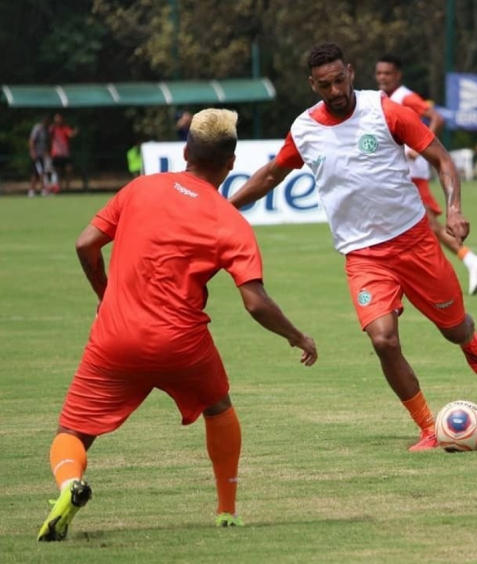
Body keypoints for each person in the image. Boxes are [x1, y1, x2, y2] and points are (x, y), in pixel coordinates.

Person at [37, 109, 318, 542]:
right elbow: (255, 302)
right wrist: (297, 336)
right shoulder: (229, 221)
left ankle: (69, 484)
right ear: (230, 163)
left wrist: (104, 297)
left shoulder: (140, 188)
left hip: (115, 337)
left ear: (184, 152)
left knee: (73, 431)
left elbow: (86, 244)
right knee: (218, 407)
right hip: (181, 344)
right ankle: (226, 511)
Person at [230, 43, 477, 452]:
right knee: (384, 340)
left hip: (415, 241)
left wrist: (454, 209)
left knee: (454, 327)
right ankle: (427, 428)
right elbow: (269, 176)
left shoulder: (384, 110)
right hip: (364, 257)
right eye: (324, 84)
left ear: (350, 72)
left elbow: (441, 158)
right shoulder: (304, 130)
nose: (334, 90)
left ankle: (468, 339)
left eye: (339, 80)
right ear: (312, 85)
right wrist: (224, 206)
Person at [375, 54, 477, 295]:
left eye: (387, 73)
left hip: (412, 173)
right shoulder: (384, 100)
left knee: (429, 225)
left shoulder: (405, 96)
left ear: (398, 75)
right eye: (379, 73)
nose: (382, 77)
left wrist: (418, 147)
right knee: (417, 227)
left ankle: (470, 261)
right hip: (399, 173)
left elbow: (437, 117)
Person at [49, 113, 78, 192]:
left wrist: (75, 131)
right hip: (56, 154)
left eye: (59, 118)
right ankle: (58, 187)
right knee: (57, 171)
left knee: (68, 169)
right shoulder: (53, 129)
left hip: (64, 154)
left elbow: (71, 135)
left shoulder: (65, 128)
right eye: (56, 119)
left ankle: (67, 187)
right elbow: (48, 134)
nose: (58, 120)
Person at [28, 115, 52, 197]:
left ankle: (32, 190)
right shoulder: (37, 128)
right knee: (40, 172)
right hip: (36, 155)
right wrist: (32, 152)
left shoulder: (46, 130)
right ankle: (43, 190)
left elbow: (45, 144)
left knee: (36, 173)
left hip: (42, 155)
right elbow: (31, 140)